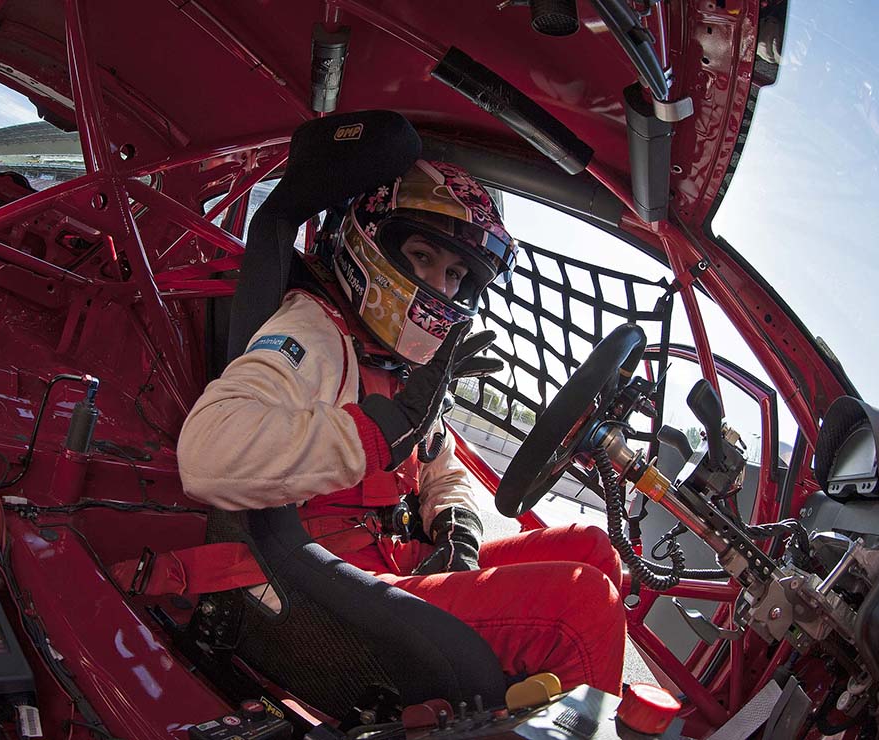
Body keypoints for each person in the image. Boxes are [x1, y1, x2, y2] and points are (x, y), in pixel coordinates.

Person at [176, 159, 626, 694]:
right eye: (422, 257)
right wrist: (374, 433)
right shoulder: (315, 332)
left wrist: (457, 525)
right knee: (579, 605)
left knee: (593, 549)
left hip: (401, 562)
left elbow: (441, 464)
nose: (440, 285)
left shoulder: (401, 367)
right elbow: (205, 454)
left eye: (455, 275)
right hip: (330, 593)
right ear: (373, 246)